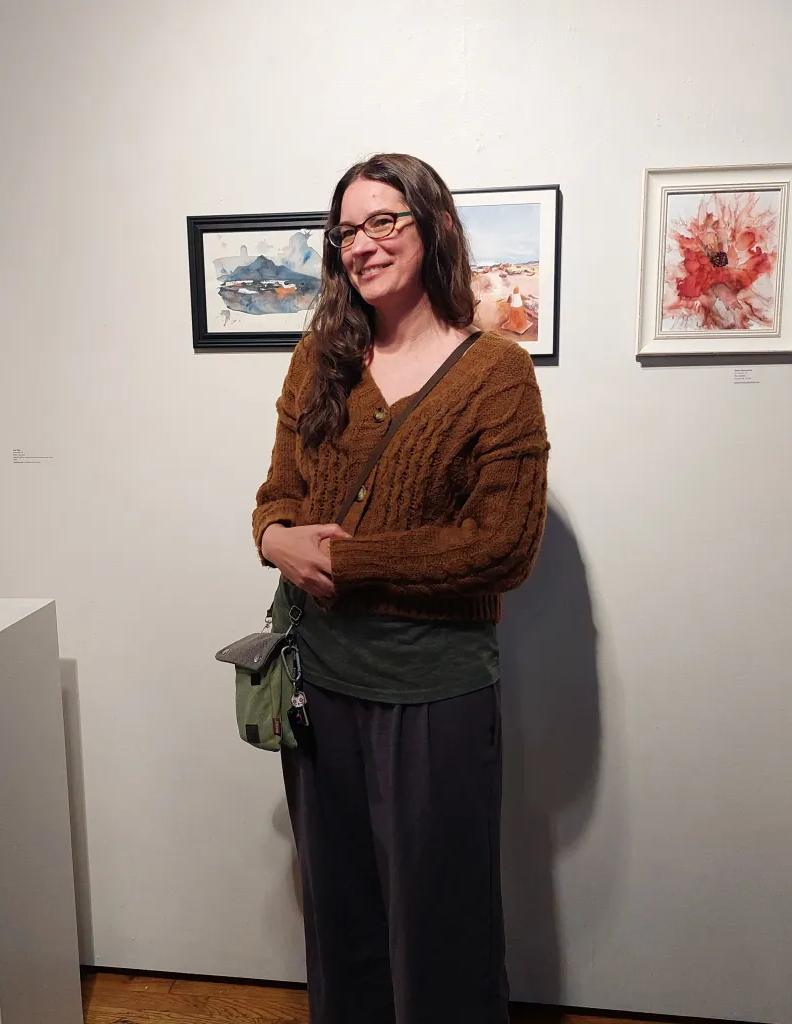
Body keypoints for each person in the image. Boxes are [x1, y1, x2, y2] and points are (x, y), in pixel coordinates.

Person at [252, 153, 550, 1024]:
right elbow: (278, 494)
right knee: (339, 912)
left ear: (436, 226)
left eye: (384, 221)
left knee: (440, 922)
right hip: (318, 682)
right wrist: (272, 538)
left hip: (434, 690)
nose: (362, 245)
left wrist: (346, 564)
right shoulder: (319, 360)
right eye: (347, 230)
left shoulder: (497, 373)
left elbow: (502, 547)